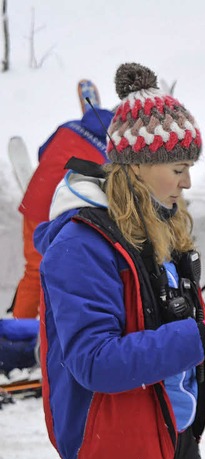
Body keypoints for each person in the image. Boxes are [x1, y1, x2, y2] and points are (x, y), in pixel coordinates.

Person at [34, 62, 205, 459]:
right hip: (118, 452)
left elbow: (164, 326)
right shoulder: (81, 245)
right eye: (179, 166)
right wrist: (202, 335)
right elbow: (95, 361)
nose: (188, 180)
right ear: (138, 167)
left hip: (172, 437)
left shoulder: (157, 228)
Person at [12, 105, 114, 318]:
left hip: (35, 200)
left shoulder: (69, 127)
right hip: (62, 211)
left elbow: (42, 152)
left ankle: (23, 326)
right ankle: (32, 331)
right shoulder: (109, 153)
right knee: (55, 274)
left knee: (33, 271)